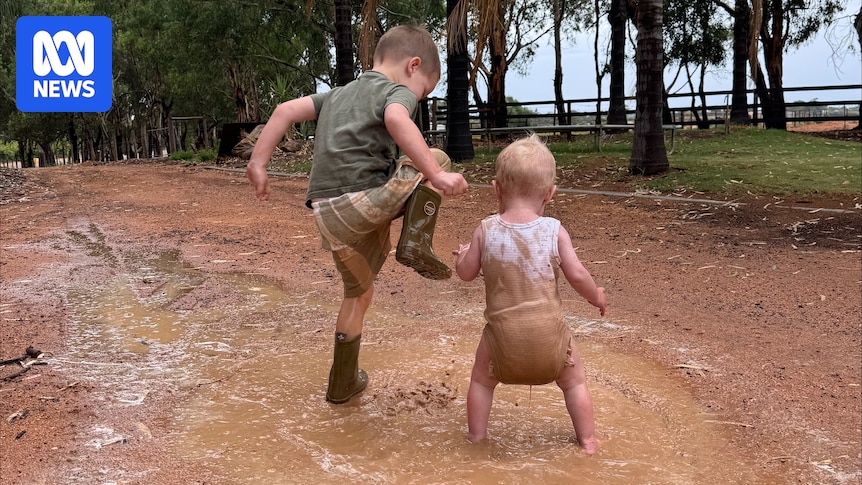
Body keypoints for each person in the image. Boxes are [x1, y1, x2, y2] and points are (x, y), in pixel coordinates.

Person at [246, 25, 469, 404]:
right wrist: (436, 174)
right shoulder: (396, 91)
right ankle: (416, 240)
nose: (420, 98)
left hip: (327, 213)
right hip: (361, 201)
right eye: (425, 92)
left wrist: (258, 160)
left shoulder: (337, 94)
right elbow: (398, 120)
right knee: (439, 156)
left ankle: (343, 382)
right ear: (413, 66)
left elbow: (284, 111)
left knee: (358, 293)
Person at [452, 134, 606, 453]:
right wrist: (596, 296)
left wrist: (463, 255)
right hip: (552, 345)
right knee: (575, 382)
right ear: (550, 194)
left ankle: (476, 437)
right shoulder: (554, 230)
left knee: (481, 382)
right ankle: (588, 441)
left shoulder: (485, 230)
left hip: (502, 345)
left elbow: (466, 273)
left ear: (495, 189)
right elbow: (577, 275)